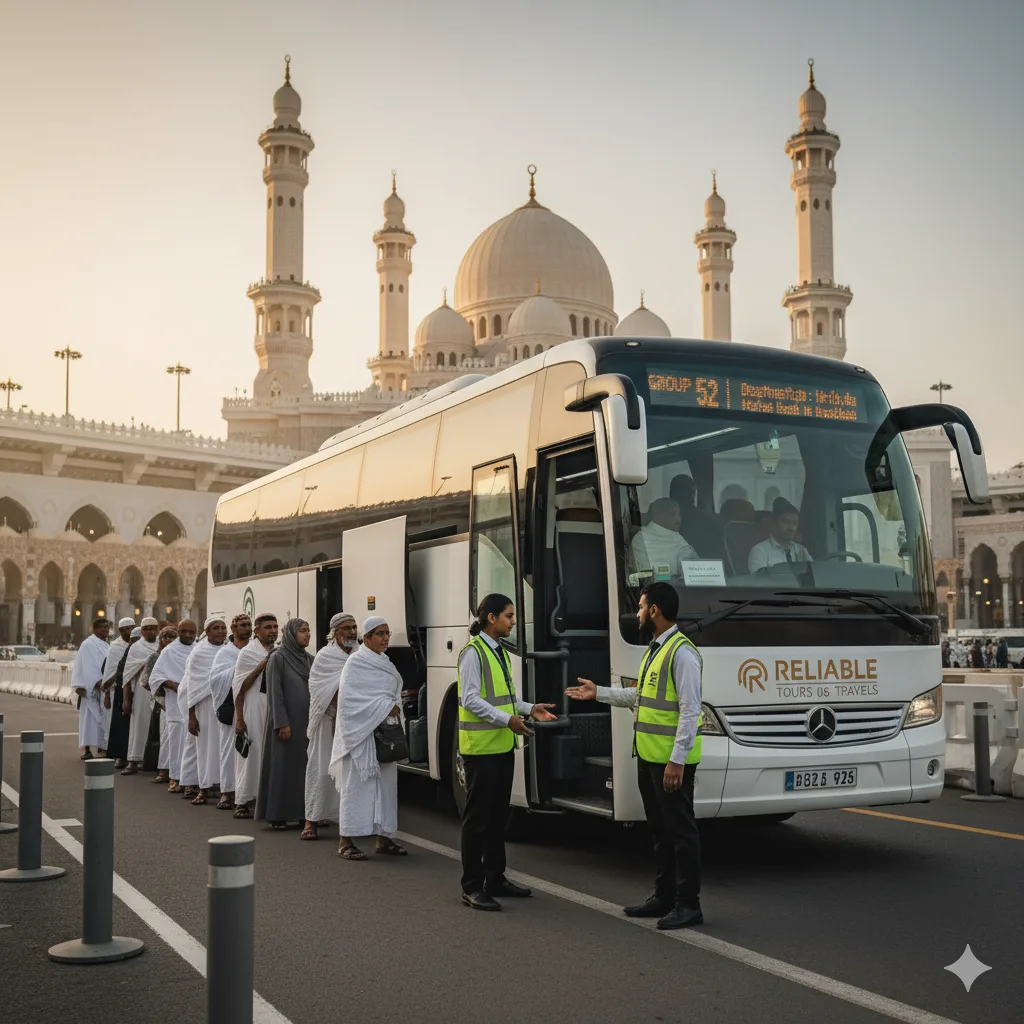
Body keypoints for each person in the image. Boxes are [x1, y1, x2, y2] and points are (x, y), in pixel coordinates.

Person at [567, 581, 704, 929]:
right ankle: (665, 896)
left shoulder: (682, 653)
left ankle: (689, 904)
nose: (639, 613)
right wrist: (598, 693)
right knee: (660, 831)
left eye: (642, 607)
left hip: (670, 763)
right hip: (650, 758)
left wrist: (677, 759)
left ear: (655, 611)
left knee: (680, 832)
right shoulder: (657, 649)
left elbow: (690, 711)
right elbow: (639, 697)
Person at [456, 594, 557, 910]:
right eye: (509, 616)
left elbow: (503, 699)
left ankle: (495, 878)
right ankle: (472, 886)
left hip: (500, 748)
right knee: (477, 821)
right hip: (480, 750)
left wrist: (528, 709)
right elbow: (470, 700)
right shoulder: (473, 653)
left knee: (498, 818)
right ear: (491, 618)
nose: (513, 621)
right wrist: (508, 720)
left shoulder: (497, 652)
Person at [329, 616, 409, 860]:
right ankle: (345, 841)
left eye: (387, 633)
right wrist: (385, 706)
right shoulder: (356, 663)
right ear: (367, 638)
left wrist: (391, 706)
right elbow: (349, 702)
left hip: (385, 736)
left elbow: (391, 693)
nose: (386, 638)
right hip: (360, 737)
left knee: (386, 789)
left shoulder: (384, 662)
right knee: (356, 788)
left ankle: (384, 838)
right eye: (380, 634)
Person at [303, 612, 357, 840]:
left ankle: (347, 821)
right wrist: (337, 708)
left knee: (349, 775)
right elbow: (318, 688)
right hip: (327, 722)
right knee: (321, 770)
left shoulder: (360, 656)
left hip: (352, 723)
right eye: (346, 628)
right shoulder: (325, 656)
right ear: (335, 633)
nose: (352, 633)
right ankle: (311, 821)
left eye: (354, 628)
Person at [257, 618, 314, 828]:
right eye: (302, 631)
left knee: (303, 770)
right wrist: (282, 723)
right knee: (281, 768)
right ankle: (277, 814)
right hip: (286, 724)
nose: (307, 635)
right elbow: (275, 693)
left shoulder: (309, 659)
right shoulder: (278, 658)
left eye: (308, 631)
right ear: (291, 634)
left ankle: (302, 813)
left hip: (305, 724)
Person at [232, 613, 278, 819]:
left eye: (275, 627)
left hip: (273, 708)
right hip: (252, 707)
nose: (273, 631)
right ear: (256, 631)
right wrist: (239, 719)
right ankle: (243, 800)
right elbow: (240, 688)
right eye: (268, 627)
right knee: (251, 754)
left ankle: (265, 797)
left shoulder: (279, 652)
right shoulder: (248, 653)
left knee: (270, 754)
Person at [148, 619, 198, 793]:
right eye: (184, 632)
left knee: (193, 745)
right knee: (176, 744)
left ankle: (191, 780)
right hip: (176, 706)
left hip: (196, 705)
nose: (188, 635)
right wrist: (178, 687)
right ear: (179, 631)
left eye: (191, 632)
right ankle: (175, 777)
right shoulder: (169, 651)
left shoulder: (199, 650)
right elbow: (155, 678)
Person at [209, 614, 252, 809]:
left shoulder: (253, 651)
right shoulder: (225, 653)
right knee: (229, 749)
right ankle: (227, 792)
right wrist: (240, 669)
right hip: (231, 706)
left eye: (249, 625)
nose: (247, 628)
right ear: (234, 629)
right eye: (243, 625)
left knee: (251, 750)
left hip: (251, 705)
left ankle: (247, 791)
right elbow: (216, 680)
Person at [184, 615, 229, 805]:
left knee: (223, 748)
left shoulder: (229, 651)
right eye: (216, 628)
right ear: (207, 631)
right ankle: (203, 788)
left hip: (225, 706)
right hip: (204, 706)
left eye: (223, 628)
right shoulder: (199, 653)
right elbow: (191, 686)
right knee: (205, 748)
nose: (220, 631)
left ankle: (223, 786)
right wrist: (191, 716)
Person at [121, 618, 160, 775]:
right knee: (139, 724)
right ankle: (134, 759)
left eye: (153, 628)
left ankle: (156, 761)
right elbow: (127, 675)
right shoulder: (136, 647)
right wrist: (126, 699)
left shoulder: (162, 644)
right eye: (146, 629)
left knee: (159, 726)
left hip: (159, 689)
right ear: (141, 630)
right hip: (141, 691)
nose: (150, 631)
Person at [71, 618, 111, 760]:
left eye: (107, 627)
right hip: (89, 688)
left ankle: (102, 746)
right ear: (94, 629)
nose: (105, 630)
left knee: (104, 719)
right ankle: (86, 749)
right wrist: (95, 682)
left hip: (104, 687)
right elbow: (86, 666)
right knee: (87, 720)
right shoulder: (87, 644)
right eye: (102, 628)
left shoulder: (106, 645)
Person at [630, 498, 697, 579]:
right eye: (672, 515)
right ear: (658, 516)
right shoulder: (641, 539)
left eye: (679, 515)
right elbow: (645, 576)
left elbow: (695, 572)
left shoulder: (678, 538)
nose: (678, 520)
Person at [98, 617, 135, 763]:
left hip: (133, 690)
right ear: (121, 631)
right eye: (127, 629)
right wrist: (107, 695)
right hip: (116, 691)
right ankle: (117, 755)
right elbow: (109, 671)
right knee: (118, 724)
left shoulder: (137, 645)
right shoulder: (115, 646)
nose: (130, 631)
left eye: (132, 627)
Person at [147, 626, 178, 783]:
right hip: (162, 702)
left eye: (172, 636)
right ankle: (164, 771)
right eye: (165, 636)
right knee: (166, 738)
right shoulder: (155, 656)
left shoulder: (181, 654)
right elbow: (147, 680)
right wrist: (166, 688)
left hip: (181, 701)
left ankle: (178, 773)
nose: (169, 640)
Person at [748, 497, 812, 572]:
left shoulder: (801, 551)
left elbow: (814, 575)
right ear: (775, 523)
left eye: (795, 523)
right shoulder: (760, 551)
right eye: (786, 522)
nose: (792, 528)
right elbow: (759, 582)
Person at [107, 626, 140, 768]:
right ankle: (120, 756)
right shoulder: (122, 651)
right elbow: (114, 671)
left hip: (139, 695)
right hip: (122, 694)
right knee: (120, 727)